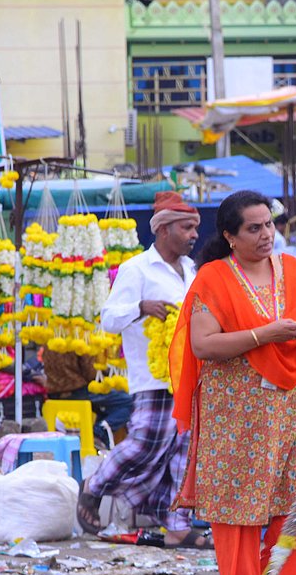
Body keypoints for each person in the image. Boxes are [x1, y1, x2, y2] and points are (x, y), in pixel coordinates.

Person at [168, 190, 296, 575]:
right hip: (235, 414)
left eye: (269, 224)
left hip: (293, 407)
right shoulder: (213, 278)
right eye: (254, 228)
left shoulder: (294, 270)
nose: (266, 234)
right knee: (239, 509)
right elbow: (203, 344)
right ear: (230, 235)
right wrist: (263, 335)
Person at [77, 191, 203, 548]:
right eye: (186, 227)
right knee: (146, 442)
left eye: (195, 227)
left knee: (183, 451)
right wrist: (141, 306)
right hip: (151, 376)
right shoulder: (136, 269)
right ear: (163, 230)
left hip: (187, 374)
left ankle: (177, 525)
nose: (194, 234)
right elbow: (109, 319)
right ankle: (94, 487)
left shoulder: (192, 270)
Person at [41, 347, 134, 445]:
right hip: (78, 390)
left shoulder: (50, 340)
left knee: (107, 408)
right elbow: (91, 372)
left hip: (54, 392)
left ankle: (100, 440)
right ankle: (98, 433)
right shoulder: (82, 339)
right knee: (129, 401)